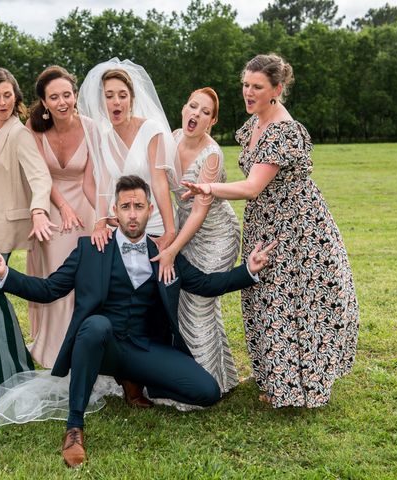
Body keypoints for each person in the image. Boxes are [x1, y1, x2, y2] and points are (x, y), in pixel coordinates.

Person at [0, 175, 276, 467]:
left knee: (206, 392)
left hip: (145, 348)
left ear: (150, 210)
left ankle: (137, 382)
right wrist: (5, 273)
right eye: (125, 207)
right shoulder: (90, 249)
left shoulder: (164, 252)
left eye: (138, 207)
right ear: (114, 212)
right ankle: (74, 427)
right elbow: (49, 289)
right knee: (96, 325)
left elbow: (205, 284)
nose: (132, 215)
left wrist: (247, 270)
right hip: (104, 345)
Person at [182, 54, 359, 408]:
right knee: (263, 299)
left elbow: (251, 187)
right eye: (246, 84)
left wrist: (209, 189)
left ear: (277, 89)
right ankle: (273, 378)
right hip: (266, 222)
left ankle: (299, 385)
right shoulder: (255, 123)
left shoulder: (284, 130)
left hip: (296, 228)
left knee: (292, 302)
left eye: (257, 87)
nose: (248, 92)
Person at [0, 67, 55, 392]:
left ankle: (12, 372)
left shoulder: (19, 133)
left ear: (16, 97)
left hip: (0, 225)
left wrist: (38, 210)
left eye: (8, 95)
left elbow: (40, 177)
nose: (2, 102)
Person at [152, 87, 241, 395]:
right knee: (187, 305)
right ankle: (220, 377)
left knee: (198, 304)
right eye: (193, 106)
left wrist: (172, 249)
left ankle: (204, 385)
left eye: (205, 112)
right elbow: (161, 183)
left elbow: (200, 211)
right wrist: (167, 232)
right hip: (183, 229)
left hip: (216, 234)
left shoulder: (212, 156)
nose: (196, 114)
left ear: (211, 122)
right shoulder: (173, 137)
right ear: (183, 109)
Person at [25, 66, 101, 368]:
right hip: (51, 209)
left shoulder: (92, 128)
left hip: (85, 206)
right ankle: (54, 348)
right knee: (55, 273)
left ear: (75, 95)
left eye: (66, 95)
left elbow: (92, 180)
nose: (62, 102)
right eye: (54, 97)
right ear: (44, 102)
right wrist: (62, 206)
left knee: (86, 278)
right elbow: (40, 176)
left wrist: (102, 217)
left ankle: (83, 345)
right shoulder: (34, 129)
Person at [78, 58, 178, 252]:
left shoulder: (151, 130)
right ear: (102, 101)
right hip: (126, 226)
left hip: (156, 222)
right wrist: (100, 223)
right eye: (109, 96)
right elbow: (104, 187)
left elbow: (159, 182)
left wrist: (170, 231)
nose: (116, 101)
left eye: (122, 95)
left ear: (131, 99)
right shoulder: (104, 139)